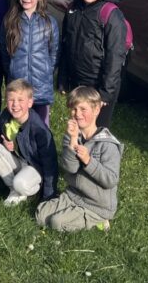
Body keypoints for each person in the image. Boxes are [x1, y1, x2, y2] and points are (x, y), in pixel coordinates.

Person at [36, 86, 123, 233]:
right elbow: (70, 168)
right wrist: (73, 140)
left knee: (57, 223)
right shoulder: (71, 136)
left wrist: (89, 161)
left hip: (97, 205)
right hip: (73, 195)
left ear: (96, 110)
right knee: (40, 214)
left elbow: (111, 180)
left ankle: (100, 222)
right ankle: (71, 211)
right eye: (74, 109)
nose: (77, 114)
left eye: (83, 109)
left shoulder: (107, 144)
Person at [58, 0, 128, 129]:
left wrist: (105, 93)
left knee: (96, 133)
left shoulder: (111, 14)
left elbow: (115, 57)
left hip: (99, 86)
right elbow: (66, 45)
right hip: (77, 82)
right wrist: (62, 78)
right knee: (78, 127)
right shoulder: (72, 9)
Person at [0, 79, 58, 206]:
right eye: (11, 100)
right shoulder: (5, 117)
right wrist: (8, 148)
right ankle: (14, 190)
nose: (15, 105)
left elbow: (50, 164)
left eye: (20, 100)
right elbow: (14, 145)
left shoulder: (39, 130)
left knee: (21, 183)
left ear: (30, 103)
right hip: (19, 162)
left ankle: (32, 191)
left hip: (35, 168)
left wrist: (48, 197)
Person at [0, 0, 59, 125]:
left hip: (41, 86)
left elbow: (54, 53)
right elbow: (4, 52)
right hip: (18, 85)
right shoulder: (9, 21)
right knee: (18, 126)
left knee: (41, 128)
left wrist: (46, 71)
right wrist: (12, 71)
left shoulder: (49, 22)